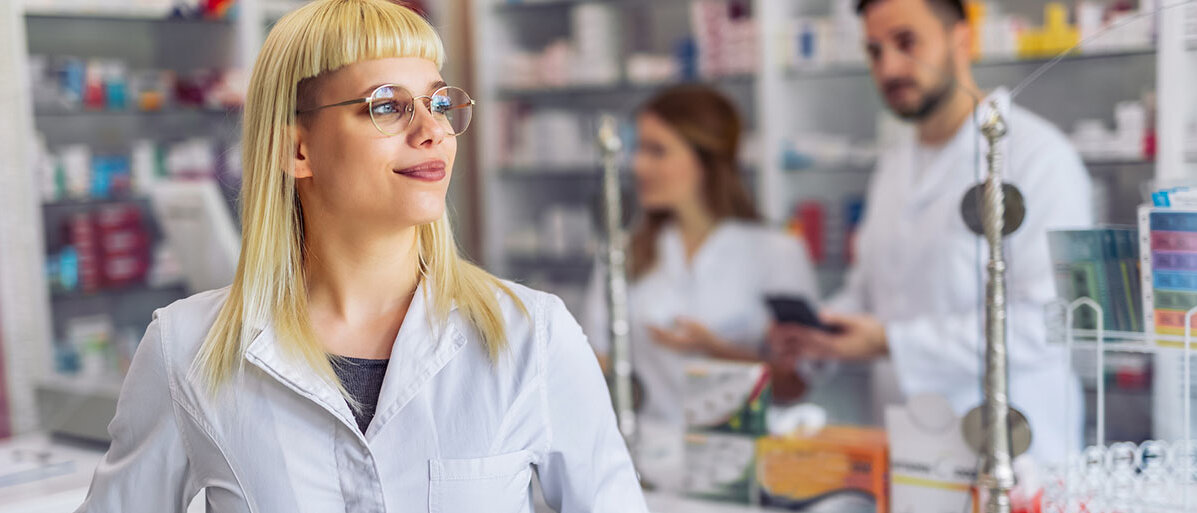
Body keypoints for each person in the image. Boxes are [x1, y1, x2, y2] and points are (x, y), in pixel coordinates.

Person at [76, 1, 647, 511]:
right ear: (297, 149)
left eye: (440, 103)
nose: (432, 132)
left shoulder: (530, 335)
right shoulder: (187, 350)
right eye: (388, 107)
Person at [769, 0, 1092, 465]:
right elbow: (868, 292)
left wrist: (890, 343)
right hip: (908, 452)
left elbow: (1050, 322)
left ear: (962, 38)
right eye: (875, 51)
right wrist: (816, 331)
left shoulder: (1039, 157)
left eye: (907, 42)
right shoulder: (896, 163)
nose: (889, 67)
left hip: (1013, 457)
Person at [586, 84, 820, 429]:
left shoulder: (776, 252)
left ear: (705, 160)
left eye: (657, 151)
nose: (638, 165)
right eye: (638, 149)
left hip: (741, 459)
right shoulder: (624, 252)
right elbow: (595, 361)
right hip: (649, 453)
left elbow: (795, 385)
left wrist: (716, 348)